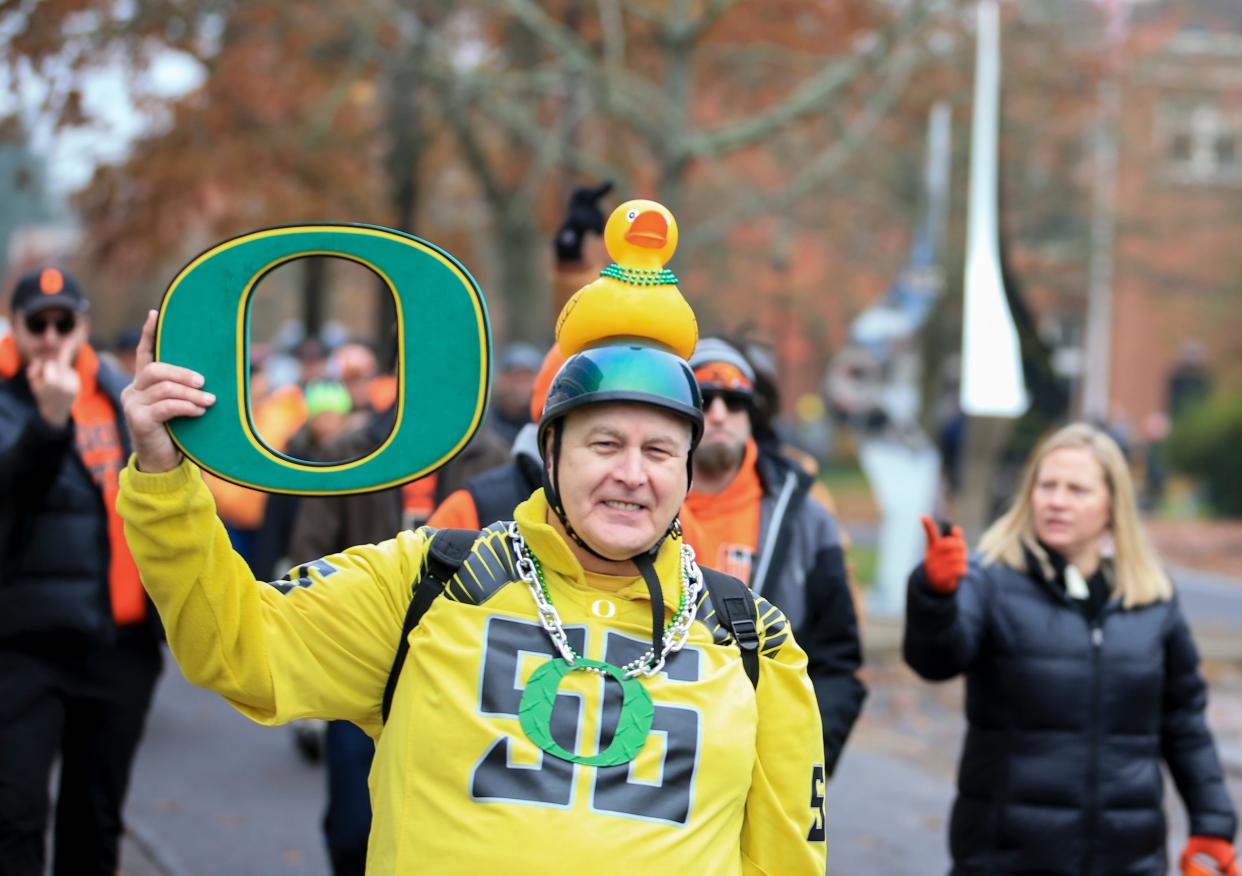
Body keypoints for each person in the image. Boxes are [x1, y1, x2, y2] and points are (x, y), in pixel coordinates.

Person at [117, 314, 827, 874]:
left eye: (660, 451)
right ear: (550, 455)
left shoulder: (754, 639)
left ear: (686, 470)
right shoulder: (426, 582)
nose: (633, 475)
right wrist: (163, 479)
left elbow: (786, 859)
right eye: (604, 445)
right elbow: (237, 647)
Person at [905, 422, 1238, 876]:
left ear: (1112, 506)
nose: (1057, 501)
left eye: (1077, 490)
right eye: (1048, 486)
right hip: (1007, 857)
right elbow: (937, 660)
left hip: (1128, 859)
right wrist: (934, 596)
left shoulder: (1150, 595)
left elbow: (1183, 720)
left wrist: (1213, 821)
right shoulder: (991, 579)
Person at [0, 267, 164, 875]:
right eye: (35, 324)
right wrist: (47, 422)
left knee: (94, 822)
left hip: (117, 649)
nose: (50, 337)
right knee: (15, 817)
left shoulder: (123, 397)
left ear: (83, 327)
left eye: (62, 322)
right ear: (14, 329)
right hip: (22, 648)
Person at [683, 337, 865, 778]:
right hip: (655, 759)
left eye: (736, 402)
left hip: (761, 770)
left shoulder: (807, 518)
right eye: (705, 400)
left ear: (754, 415)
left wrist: (804, 760)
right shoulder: (637, 503)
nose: (720, 414)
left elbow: (837, 660)